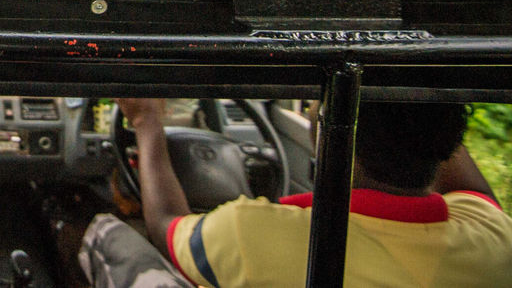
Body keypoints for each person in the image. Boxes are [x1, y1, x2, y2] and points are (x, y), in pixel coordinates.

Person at [77, 98, 512, 287]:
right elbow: (469, 183)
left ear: (325, 134)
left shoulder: (253, 236)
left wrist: (146, 124)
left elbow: (166, 227)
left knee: (109, 233)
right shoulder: (494, 242)